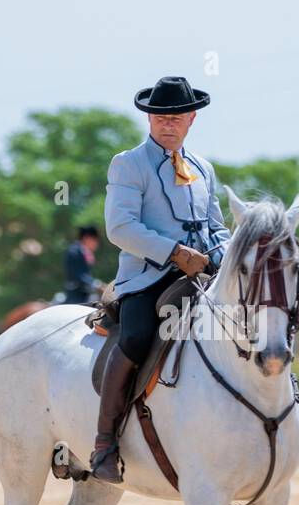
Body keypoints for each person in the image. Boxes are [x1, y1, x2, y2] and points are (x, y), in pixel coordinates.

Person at [89, 76, 232, 483]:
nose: (167, 123)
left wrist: (227, 253)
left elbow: (215, 227)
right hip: (146, 277)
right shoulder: (128, 163)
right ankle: (104, 443)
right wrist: (174, 252)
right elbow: (120, 227)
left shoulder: (204, 168)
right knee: (135, 337)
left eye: (177, 116)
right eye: (160, 116)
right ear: (149, 117)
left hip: (202, 275)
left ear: (191, 119)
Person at [63, 225, 100, 304]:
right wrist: (97, 285)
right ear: (87, 238)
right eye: (95, 240)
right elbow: (80, 276)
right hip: (76, 293)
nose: (97, 244)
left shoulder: (84, 252)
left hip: (85, 291)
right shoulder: (74, 252)